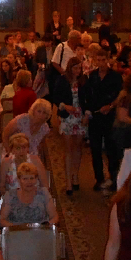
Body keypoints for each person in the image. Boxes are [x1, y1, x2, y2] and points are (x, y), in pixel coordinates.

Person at [81, 49, 123, 190]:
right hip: (95, 116)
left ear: (108, 60)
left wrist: (110, 106)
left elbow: (120, 95)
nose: (101, 63)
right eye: (98, 60)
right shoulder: (92, 76)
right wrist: (87, 112)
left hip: (110, 117)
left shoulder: (116, 77)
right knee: (95, 149)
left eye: (103, 60)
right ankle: (99, 178)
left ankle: (113, 178)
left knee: (111, 148)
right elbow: (88, 96)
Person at [52, 57, 87, 193]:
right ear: (70, 68)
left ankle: (75, 175)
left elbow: (87, 99)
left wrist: (86, 114)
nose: (78, 71)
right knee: (68, 149)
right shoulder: (62, 80)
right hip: (67, 117)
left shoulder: (84, 80)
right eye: (75, 68)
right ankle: (67, 181)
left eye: (79, 68)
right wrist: (64, 106)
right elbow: (55, 97)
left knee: (78, 147)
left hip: (80, 116)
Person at [0, 162, 58, 227]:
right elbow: (2, 220)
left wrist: (46, 226)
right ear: (19, 180)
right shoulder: (10, 195)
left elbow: (54, 217)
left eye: (32, 178)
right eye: (25, 179)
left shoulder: (43, 193)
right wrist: (18, 229)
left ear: (36, 179)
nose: (29, 182)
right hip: (17, 234)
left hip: (40, 233)